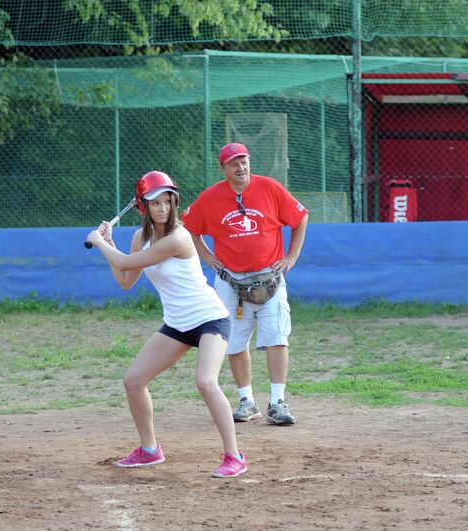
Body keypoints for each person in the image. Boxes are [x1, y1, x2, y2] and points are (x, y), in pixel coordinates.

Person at [86, 171, 246, 478]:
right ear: (144, 207)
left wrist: (100, 242)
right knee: (133, 381)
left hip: (210, 318)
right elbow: (124, 280)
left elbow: (123, 262)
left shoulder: (179, 238)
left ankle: (234, 456)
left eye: (167, 202)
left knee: (206, 382)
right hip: (177, 324)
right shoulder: (140, 238)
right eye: (155, 203)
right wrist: (109, 245)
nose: (163, 209)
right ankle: (149, 450)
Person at [181, 143, 308, 426]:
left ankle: (277, 402)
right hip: (230, 281)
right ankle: (246, 401)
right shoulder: (211, 198)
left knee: (276, 337)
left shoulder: (270, 188)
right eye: (234, 163)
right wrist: (207, 256)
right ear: (223, 169)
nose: (241, 167)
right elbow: (188, 225)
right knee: (235, 341)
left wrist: (291, 256)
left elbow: (300, 218)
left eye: (244, 161)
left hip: (269, 277)